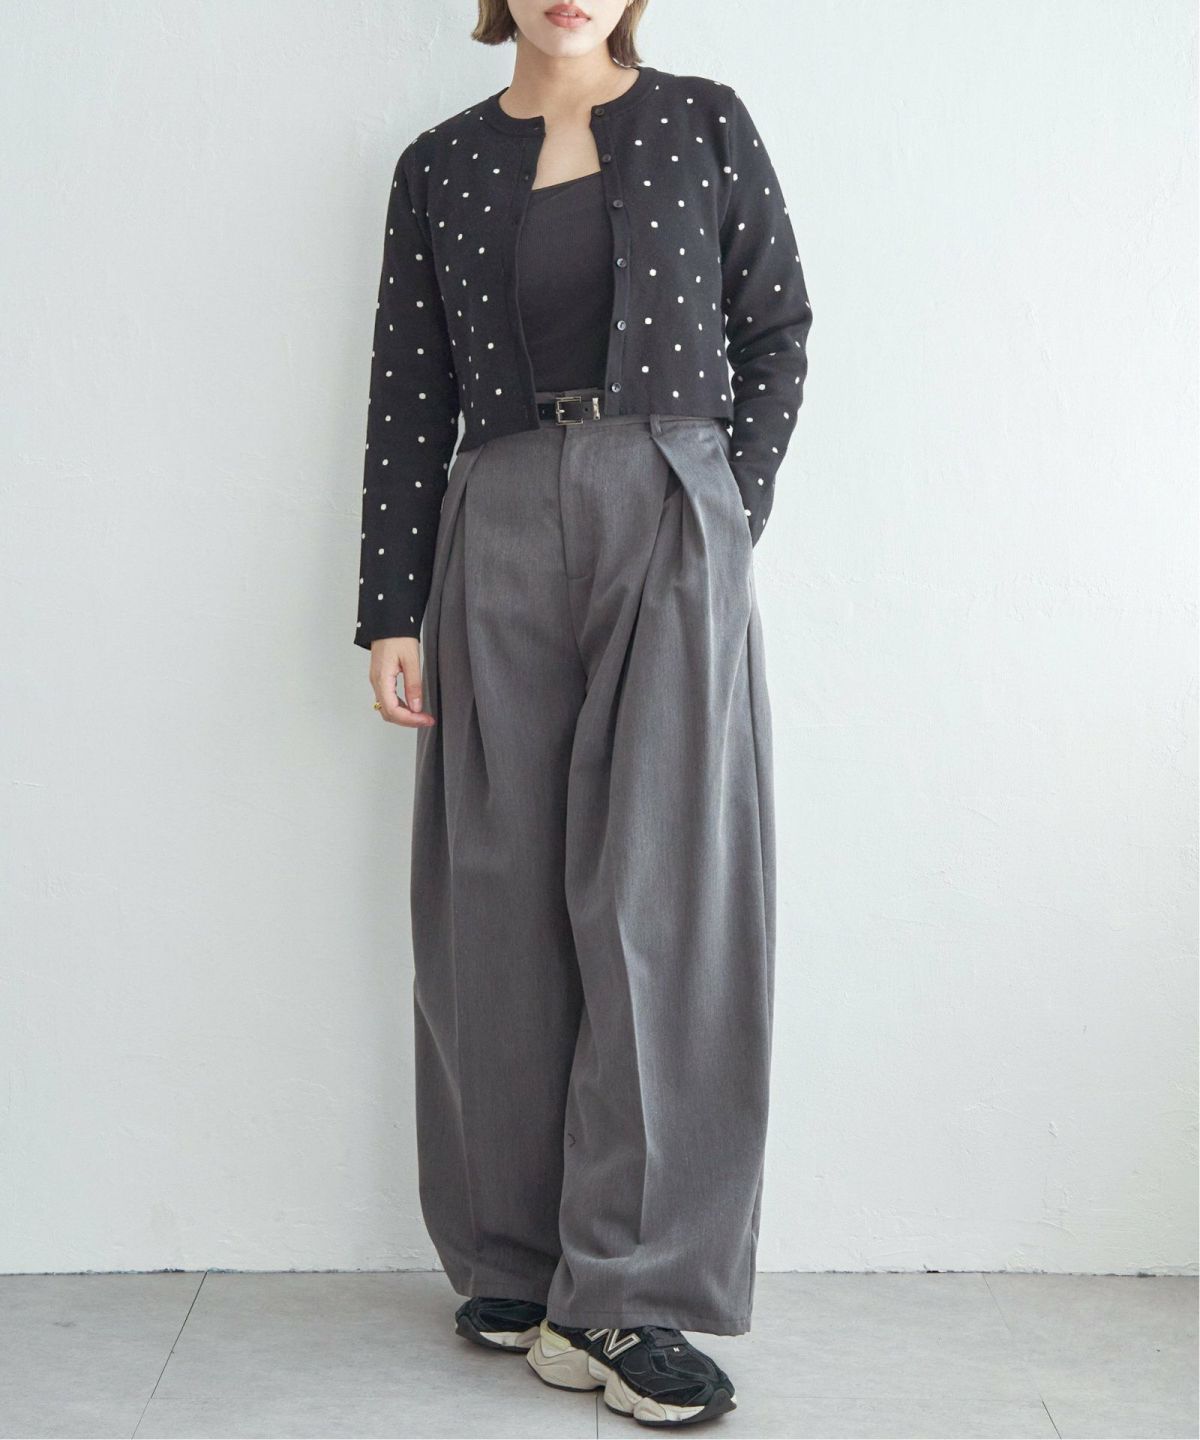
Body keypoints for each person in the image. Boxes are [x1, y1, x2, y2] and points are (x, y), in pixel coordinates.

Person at [355, 0, 812, 1425]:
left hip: (666, 505)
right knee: (491, 898)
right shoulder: (439, 162)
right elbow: (409, 388)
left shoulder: (702, 121)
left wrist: (718, 510)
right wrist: (387, 605)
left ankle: (628, 1291)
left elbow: (776, 329)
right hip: (493, 514)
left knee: (659, 898)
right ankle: (516, 1258)